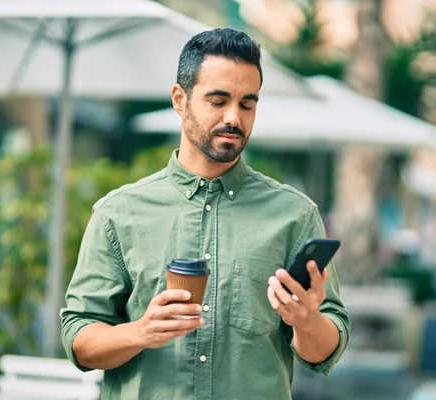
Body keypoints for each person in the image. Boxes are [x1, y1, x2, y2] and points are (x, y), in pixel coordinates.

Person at [60, 28, 349, 399]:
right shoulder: (117, 213)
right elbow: (78, 337)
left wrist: (306, 320)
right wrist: (141, 331)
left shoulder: (295, 214)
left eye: (248, 104)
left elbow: (324, 353)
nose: (234, 118)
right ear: (180, 99)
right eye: (218, 100)